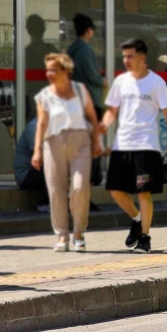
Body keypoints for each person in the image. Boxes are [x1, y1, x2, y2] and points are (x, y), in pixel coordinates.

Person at [101, 38, 167, 253]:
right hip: (122, 145)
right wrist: (103, 126)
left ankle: (145, 237)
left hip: (147, 146)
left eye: (130, 56)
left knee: (144, 193)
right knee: (116, 191)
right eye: (124, 56)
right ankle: (136, 219)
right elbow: (112, 111)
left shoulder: (156, 83)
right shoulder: (120, 82)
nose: (126, 60)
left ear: (142, 58)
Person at [30, 52, 103, 251]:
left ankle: (78, 233)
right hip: (53, 143)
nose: (49, 73)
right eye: (48, 69)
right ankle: (62, 236)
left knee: (80, 188)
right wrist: (37, 151)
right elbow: (41, 124)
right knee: (56, 191)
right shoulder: (44, 95)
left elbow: (92, 116)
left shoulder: (80, 90)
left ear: (65, 71)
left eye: (53, 69)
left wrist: (96, 141)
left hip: (80, 142)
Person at [67, 14, 107, 109]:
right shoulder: (85, 50)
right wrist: (102, 81)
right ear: (88, 30)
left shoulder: (72, 48)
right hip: (89, 99)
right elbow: (92, 76)